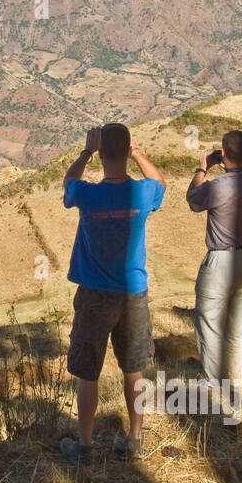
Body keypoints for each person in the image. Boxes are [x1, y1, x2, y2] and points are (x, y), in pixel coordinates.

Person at [60, 123, 165, 463]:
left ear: (103, 154)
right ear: (127, 150)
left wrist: (86, 152)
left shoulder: (88, 195)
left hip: (94, 294)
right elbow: (161, 182)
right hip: (133, 291)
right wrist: (136, 153)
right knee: (133, 366)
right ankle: (134, 437)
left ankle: (85, 445)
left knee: (88, 371)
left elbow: (68, 184)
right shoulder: (144, 192)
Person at [185, 130, 242, 424]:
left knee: (208, 320)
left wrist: (202, 168)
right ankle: (234, 388)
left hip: (221, 257)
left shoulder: (216, 186)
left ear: (222, 153)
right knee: (237, 325)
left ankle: (213, 388)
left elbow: (193, 200)